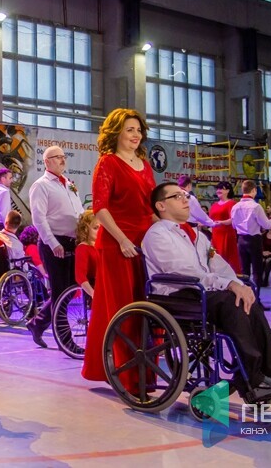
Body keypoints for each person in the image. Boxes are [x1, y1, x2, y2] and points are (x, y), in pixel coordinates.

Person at [142, 181, 271, 397]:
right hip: (176, 294)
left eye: (185, 196)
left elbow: (218, 264)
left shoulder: (198, 235)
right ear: (161, 206)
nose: (185, 199)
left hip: (201, 291)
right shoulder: (157, 234)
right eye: (177, 196)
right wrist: (228, 284)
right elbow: (181, 271)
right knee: (230, 302)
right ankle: (254, 378)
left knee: (247, 299)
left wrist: (238, 284)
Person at [82, 109, 155, 387]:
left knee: (145, 307)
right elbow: (100, 208)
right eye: (129, 130)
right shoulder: (108, 163)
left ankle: (141, 368)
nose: (136, 135)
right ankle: (128, 374)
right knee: (123, 310)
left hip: (145, 243)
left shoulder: (144, 164)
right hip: (117, 244)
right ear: (116, 133)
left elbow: (150, 208)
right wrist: (123, 239)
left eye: (138, 130)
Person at [25, 145, 82, 348]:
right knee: (60, 292)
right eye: (58, 157)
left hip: (72, 241)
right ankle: (65, 340)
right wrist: (52, 242)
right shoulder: (41, 185)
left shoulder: (68, 184)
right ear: (47, 162)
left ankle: (37, 323)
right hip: (54, 243)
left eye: (63, 157)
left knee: (69, 290)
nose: (62, 160)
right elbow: (38, 218)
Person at [230, 179, 271, 307]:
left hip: (241, 240)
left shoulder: (235, 206)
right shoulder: (255, 206)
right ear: (254, 190)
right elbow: (267, 224)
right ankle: (256, 300)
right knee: (257, 272)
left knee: (244, 272)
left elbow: (233, 225)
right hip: (254, 240)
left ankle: (244, 299)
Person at [209, 181, 241, 273]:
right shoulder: (214, 205)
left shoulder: (232, 204)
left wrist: (221, 223)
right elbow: (209, 220)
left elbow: (233, 219)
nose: (218, 191)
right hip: (215, 236)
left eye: (221, 189)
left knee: (227, 258)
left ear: (228, 190)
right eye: (217, 189)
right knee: (214, 257)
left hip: (227, 235)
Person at [74, 209, 99, 298]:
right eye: (95, 228)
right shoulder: (83, 248)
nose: (100, 231)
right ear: (86, 229)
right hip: (95, 287)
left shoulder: (102, 245)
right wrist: (93, 293)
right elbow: (80, 276)